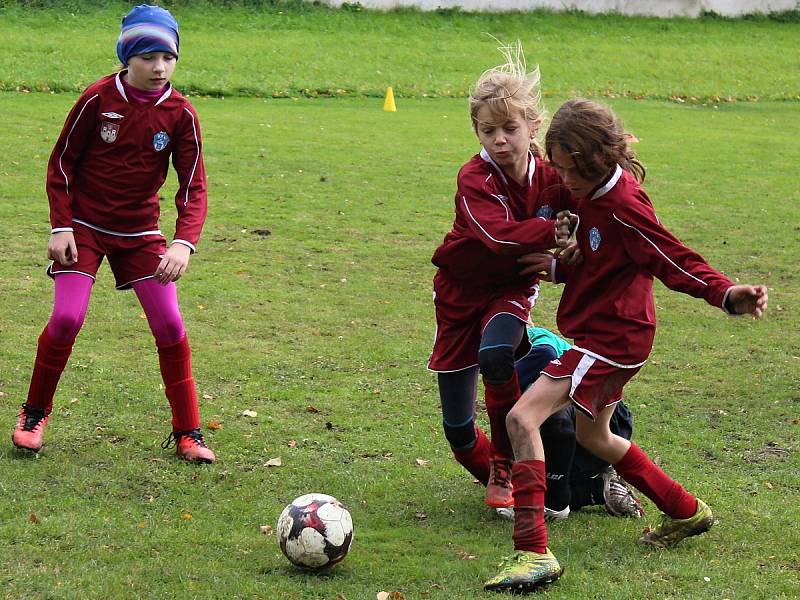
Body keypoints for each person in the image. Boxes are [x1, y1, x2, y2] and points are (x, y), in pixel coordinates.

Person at [484, 98, 768, 593]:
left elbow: (670, 257)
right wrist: (560, 267)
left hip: (612, 338)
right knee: (595, 436)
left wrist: (724, 293)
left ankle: (533, 552)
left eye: (571, 171)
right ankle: (686, 510)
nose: (564, 182)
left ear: (596, 162)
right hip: (613, 334)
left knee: (520, 418)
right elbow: (603, 259)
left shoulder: (622, 204)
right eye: (559, 168)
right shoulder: (594, 196)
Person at [11, 4, 216, 463]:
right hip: (82, 229)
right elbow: (61, 162)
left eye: (168, 57)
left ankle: (189, 431)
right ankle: (33, 414)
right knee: (66, 319)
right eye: (147, 57)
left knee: (170, 324)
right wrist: (61, 225)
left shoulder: (181, 114)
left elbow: (193, 185)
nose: (159, 67)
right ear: (127, 57)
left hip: (141, 233)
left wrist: (183, 242)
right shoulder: (97, 99)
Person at [427, 42, 574, 510]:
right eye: (488, 130)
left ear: (534, 126)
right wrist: (550, 231)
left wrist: (557, 263)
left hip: (510, 289)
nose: (500, 140)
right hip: (459, 294)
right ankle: (496, 465)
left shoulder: (553, 177)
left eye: (511, 128)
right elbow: (499, 239)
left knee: (496, 355)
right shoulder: (475, 178)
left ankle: (507, 466)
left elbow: (588, 231)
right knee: (458, 434)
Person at [514, 326, 643, 522]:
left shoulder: (537, 347)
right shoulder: (505, 350)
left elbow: (557, 423)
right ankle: (599, 489)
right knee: (523, 484)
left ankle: (557, 504)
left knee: (533, 489)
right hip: (587, 429)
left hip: (597, 425)